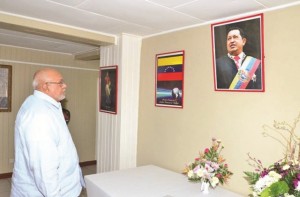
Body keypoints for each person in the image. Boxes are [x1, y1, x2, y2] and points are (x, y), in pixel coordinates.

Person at [11, 68, 85, 196]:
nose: (65, 85)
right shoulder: (39, 115)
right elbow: (44, 168)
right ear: (46, 86)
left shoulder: (41, 104)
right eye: (60, 82)